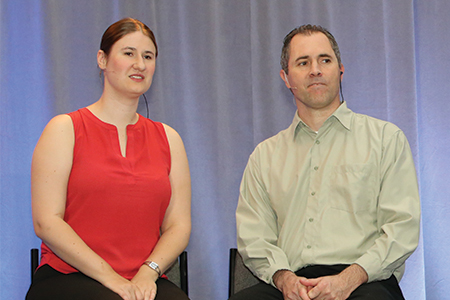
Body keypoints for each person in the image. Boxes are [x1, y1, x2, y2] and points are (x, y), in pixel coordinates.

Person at [232, 25, 420, 300]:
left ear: (340, 70)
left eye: (325, 60)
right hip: (289, 285)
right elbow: (254, 237)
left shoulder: (385, 140)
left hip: (362, 282)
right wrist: (284, 280)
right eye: (303, 62)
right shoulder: (264, 156)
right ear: (286, 78)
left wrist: (348, 279)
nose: (315, 70)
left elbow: (401, 228)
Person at [26, 18, 191, 300]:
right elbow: (46, 221)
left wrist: (148, 272)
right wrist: (110, 278)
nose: (139, 64)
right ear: (102, 60)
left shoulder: (169, 138)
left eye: (148, 56)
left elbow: (178, 225)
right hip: (69, 276)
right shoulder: (64, 129)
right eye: (129, 53)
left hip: (142, 278)